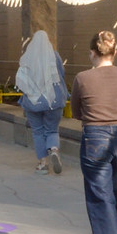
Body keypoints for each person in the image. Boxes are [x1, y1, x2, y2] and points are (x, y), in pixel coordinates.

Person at [70, 30, 117, 234]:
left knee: (99, 195)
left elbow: (76, 111)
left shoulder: (82, 78)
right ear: (114, 52)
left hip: (95, 137)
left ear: (91, 53)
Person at [15, 30, 68, 175]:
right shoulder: (54, 55)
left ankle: (43, 164)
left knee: (38, 132)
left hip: (33, 101)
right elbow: (61, 73)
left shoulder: (27, 57)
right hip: (53, 100)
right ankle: (54, 150)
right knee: (51, 129)